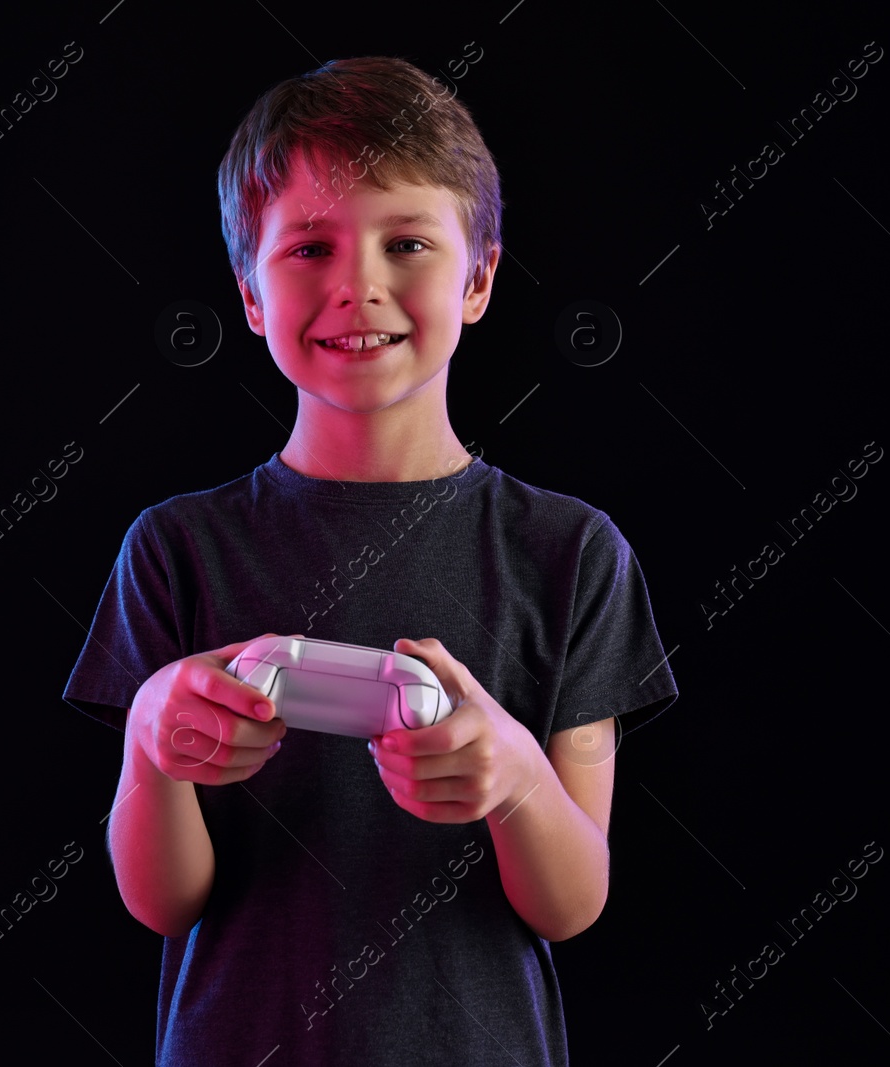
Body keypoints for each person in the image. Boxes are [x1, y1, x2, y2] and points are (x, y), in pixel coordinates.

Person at [62, 55, 678, 1065]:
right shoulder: (176, 549)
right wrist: (148, 739)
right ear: (251, 295)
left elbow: (572, 902)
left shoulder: (568, 552)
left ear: (477, 277)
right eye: (308, 247)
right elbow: (162, 898)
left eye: (407, 242)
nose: (357, 285)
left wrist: (517, 778)